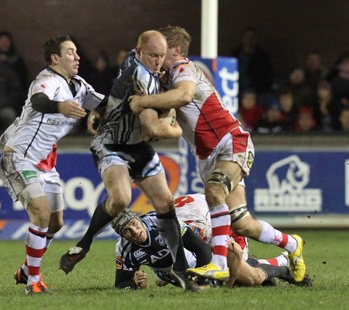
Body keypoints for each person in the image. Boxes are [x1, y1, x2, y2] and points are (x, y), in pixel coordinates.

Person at [129, 25, 307, 284]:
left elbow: (185, 95)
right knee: (242, 224)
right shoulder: (164, 82)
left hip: (231, 142)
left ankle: (219, 263)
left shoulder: (183, 68)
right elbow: (169, 126)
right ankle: (293, 245)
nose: (157, 55)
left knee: (214, 191)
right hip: (208, 156)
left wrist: (143, 102)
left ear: (175, 50)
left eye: (162, 50)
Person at [58, 30, 197, 292]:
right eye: (153, 55)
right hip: (111, 143)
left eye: (160, 56)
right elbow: (153, 128)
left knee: (166, 203)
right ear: (139, 51)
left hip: (136, 146)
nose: (157, 61)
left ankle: (181, 272)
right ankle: (84, 244)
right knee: (121, 199)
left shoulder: (146, 69)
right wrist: (178, 129)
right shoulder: (140, 76)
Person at [0, 34, 107, 294]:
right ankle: (33, 281)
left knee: (56, 223)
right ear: (55, 58)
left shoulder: (79, 86)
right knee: (41, 213)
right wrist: (60, 107)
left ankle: (26, 270)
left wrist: (137, 104)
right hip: (19, 156)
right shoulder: (46, 81)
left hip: (46, 164)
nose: (77, 56)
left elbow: (105, 104)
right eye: (70, 52)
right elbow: (39, 101)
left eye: (77, 52)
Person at [112, 195, 305, 290]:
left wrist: (213, 282)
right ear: (122, 235)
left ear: (138, 218)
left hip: (207, 218)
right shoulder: (125, 247)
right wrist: (136, 284)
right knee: (211, 276)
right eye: (127, 231)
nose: (134, 232)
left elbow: (202, 248)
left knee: (246, 277)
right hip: (187, 214)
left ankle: (282, 263)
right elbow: (122, 281)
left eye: (134, 225)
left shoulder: (189, 228)